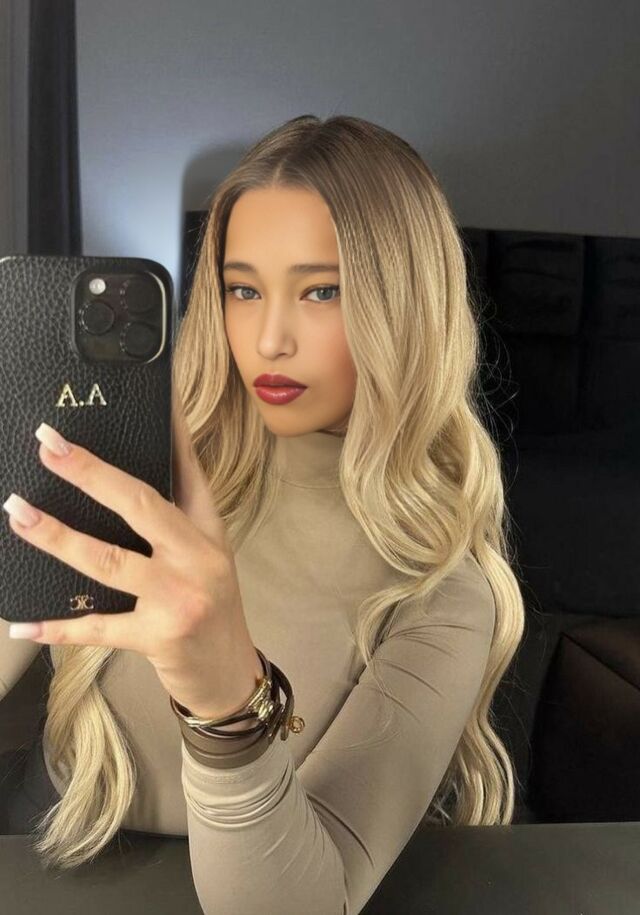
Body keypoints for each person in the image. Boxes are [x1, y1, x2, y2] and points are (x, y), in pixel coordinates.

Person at [0, 113, 525, 915]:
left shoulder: (443, 594)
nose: (270, 338)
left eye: (322, 290)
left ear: (405, 304)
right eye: (243, 289)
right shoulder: (135, 473)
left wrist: (226, 703)